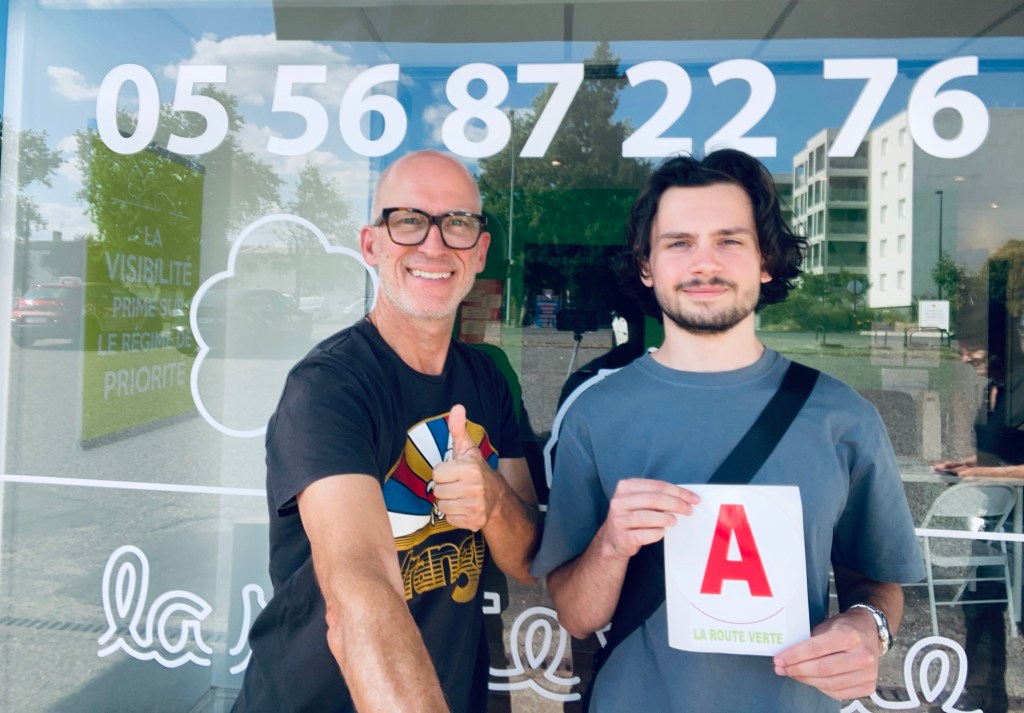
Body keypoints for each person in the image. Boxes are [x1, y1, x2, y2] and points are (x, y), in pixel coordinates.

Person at [530, 149, 925, 712]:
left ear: (766, 260)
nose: (704, 263)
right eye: (679, 243)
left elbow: (877, 581)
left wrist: (869, 627)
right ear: (646, 266)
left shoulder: (842, 417)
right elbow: (574, 615)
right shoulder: (595, 414)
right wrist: (611, 545)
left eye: (729, 240)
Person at [233, 150, 542, 713]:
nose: (434, 245)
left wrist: (493, 501)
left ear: (479, 251)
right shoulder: (327, 388)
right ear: (371, 244)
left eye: (457, 223)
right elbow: (361, 588)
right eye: (409, 220)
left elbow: (525, 559)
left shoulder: (488, 380)